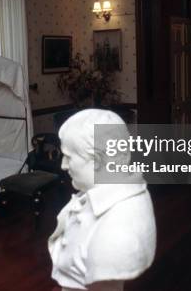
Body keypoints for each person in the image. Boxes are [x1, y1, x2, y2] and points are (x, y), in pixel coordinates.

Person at [48, 109, 156, 291]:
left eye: (69, 157)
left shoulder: (119, 229)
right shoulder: (93, 194)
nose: (63, 165)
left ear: (97, 160)